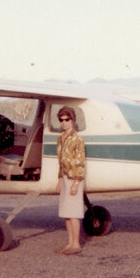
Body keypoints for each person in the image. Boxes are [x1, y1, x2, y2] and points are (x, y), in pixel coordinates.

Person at [55, 105, 86, 254]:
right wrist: (59, 180)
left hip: (74, 179)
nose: (64, 122)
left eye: (67, 119)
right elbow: (60, 161)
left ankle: (76, 244)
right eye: (61, 120)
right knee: (66, 213)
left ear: (72, 120)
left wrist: (76, 183)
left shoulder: (77, 139)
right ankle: (69, 242)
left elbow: (80, 162)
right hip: (65, 178)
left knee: (74, 213)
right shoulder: (61, 138)